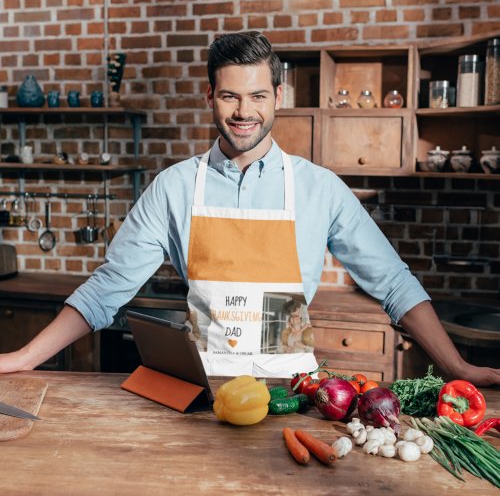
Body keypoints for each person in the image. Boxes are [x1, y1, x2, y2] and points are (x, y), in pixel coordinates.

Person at [1, 32, 498, 384]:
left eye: (258, 95)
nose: (244, 112)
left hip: (289, 392)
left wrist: (456, 366)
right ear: (210, 96)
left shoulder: (318, 188)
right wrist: (25, 357)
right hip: (198, 389)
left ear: (278, 96)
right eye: (231, 96)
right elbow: (107, 289)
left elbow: (392, 282)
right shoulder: (174, 187)